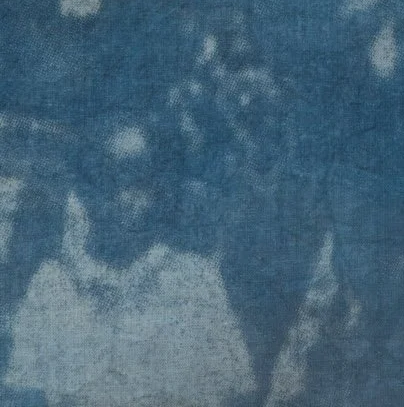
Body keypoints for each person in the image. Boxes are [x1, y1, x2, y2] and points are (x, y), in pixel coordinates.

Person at [3, 115, 255, 407]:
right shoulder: (52, 285)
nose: (119, 197)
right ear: (84, 190)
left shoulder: (194, 282)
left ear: (160, 192)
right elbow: (23, 394)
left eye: (137, 182)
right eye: (104, 180)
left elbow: (237, 395)